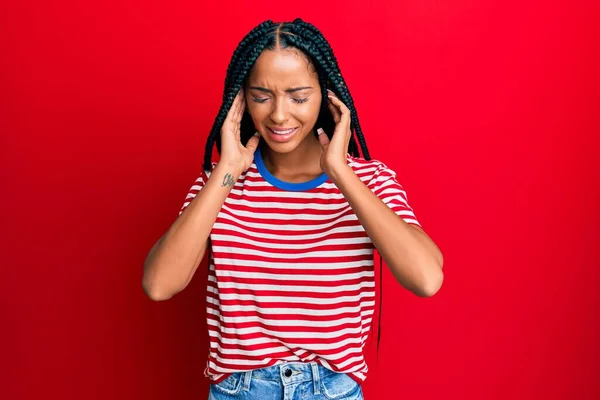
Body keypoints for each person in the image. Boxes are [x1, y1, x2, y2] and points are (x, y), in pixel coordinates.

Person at [142, 18, 444, 400]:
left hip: (333, 391)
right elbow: (158, 285)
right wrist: (228, 171)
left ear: (327, 97)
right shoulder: (220, 184)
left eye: (298, 97)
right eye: (261, 96)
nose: (280, 115)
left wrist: (339, 171)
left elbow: (426, 278)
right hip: (241, 391)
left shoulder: (370, 181)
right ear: (241, 100)